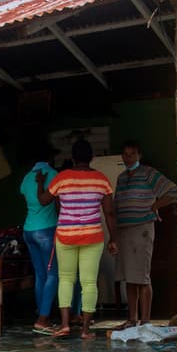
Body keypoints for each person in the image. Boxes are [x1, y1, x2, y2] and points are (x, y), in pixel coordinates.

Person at [38, 140, 117, 340]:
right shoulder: (102, 180)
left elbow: (43, 200)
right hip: (93, 237)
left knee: (65, 279)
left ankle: (64, 325)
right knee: (89, 282)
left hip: (66, 236)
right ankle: (85, 330)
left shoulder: (62, 178)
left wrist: (40, 183)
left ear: (72, 158)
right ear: (91, 158)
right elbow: (109, 213)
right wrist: (113, 238)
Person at [114, 140, 177, 327]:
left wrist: (155, 206)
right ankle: (132, 319)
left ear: (139, 156)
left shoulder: (149, 174)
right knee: (129, 277)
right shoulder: (121, 178)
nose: (127, 158)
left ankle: (146, 320)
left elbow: (174, 191)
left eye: (131, 154)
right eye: (125, 154)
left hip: (142, 229)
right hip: (124, 231)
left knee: (142, 277)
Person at [20, 155, 61, 335]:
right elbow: (59, 204)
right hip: (46, 230)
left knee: (40, 275)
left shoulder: (27, 176)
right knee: (53, 275)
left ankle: (42, 314)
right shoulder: (54, 174)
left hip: (28, 230)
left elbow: (27, 201)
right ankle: (42, 319)